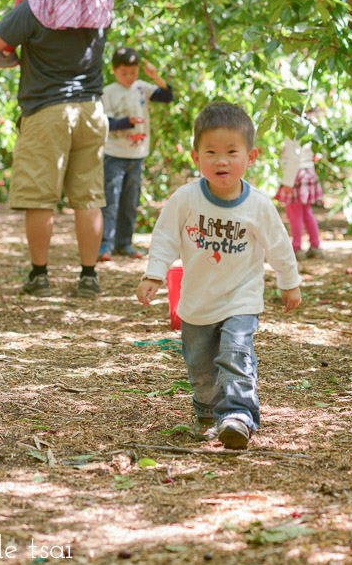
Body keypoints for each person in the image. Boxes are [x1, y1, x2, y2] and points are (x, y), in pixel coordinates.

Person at [136, 101, 301, 450]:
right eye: (210, 152)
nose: (221, 160)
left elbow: (279, 246)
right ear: (196, 158)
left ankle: (239, 415)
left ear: (250, 156)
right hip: (196, 301)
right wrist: (154, 274)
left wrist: (289, 282)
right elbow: (165, 237)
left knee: (235, 351)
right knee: (199, 365)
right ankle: (209, 412)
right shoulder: (185, 199)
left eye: (231, 151)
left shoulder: (258, 205)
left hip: (241, 297)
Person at [0, 0, 108, 298]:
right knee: (88, 195)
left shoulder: (37, 6)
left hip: (47, 111)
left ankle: (39, 275)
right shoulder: (100, 5)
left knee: (40, 197)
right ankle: (89, 277)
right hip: (91, 110)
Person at [98, 46, 174, 261]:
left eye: (133, 72)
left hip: (136, 155)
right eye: (124, 73)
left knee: (130, 203)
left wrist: (155, 76)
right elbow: (107, 123)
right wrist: (127, 123)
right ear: (114, 70)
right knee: (111, 201)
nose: (129, 77)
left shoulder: (141, 87)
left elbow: (167, 96)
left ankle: (124, 243)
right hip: (114, 155)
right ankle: (105, 245)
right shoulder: (109, 91)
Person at [274, 136, 324, 260]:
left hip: (296, 173)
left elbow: (294, 157)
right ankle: (315, 246)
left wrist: (288, 182)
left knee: (294, 212)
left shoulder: (293, 128)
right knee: (307, 212)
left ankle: (296, 248)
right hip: (308, 170)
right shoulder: (307, 125)